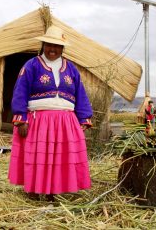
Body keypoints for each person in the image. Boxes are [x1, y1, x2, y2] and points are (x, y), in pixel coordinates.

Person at [8, 25, 93, 202]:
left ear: (62, 48)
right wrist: (20, 119)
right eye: (49, 45)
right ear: (43, 45)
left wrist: (84, 117)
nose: (52, 49)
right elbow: (20, 91)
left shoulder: (71, 69)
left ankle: (52, 191)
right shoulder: (31, 66)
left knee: (58, 157)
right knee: (37, 156)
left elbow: (80, 94)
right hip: (38, 121)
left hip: (64, 121)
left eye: (57, 46)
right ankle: (32, 190)